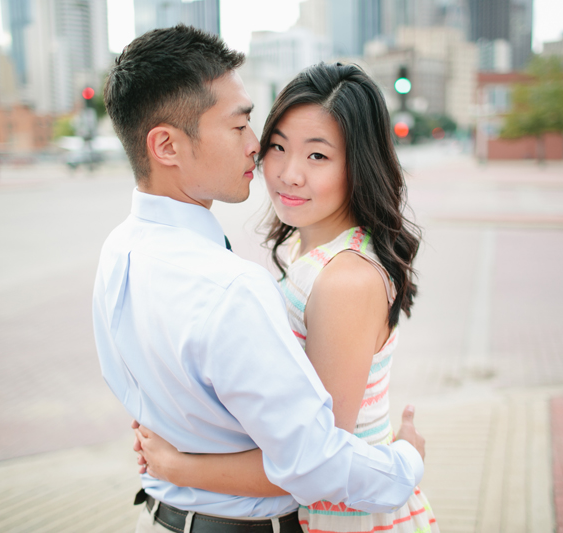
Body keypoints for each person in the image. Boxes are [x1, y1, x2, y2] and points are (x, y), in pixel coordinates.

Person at [93, 25, 427, 533]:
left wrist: (174, 465)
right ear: (165, 145)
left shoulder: (119, 252)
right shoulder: (248, 277)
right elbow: (313, 460)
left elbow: (314, 461)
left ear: (358, 163)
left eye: (317, 155)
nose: (263, 155)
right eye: (267, 140)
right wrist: (407, 462)